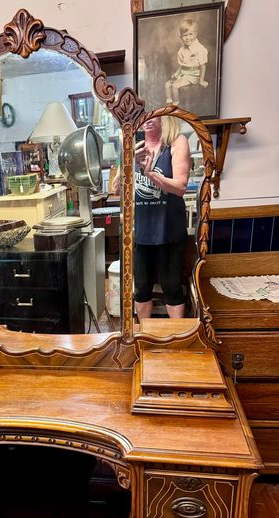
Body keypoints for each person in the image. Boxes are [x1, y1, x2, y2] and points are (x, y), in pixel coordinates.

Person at [133, 115, 190, 320]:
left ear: (164, 117)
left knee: (172, 288)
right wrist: (128, 163)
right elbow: (117, 189)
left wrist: (149, 173)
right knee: (141, 289)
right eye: (143, 116)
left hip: (169, 230)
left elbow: (180, 187)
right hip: (141, 232)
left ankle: (175, 341)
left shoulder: (176, 141)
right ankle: (144, 339)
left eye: (154, 115)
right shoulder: (133, 146)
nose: (148, 120)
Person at [165, 18, 209, 105]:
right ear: (181, 37)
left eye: (190, 34)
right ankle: (169, 103)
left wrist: (201, 80)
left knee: (174, 86)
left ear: (195, 34)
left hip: (193, 75)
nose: (188, 38)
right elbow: (182, 66)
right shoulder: (182, 50)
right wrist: (176, 74)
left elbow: (202, 66)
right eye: (185, 35)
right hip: (183, 73)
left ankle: (176, 104)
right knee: (167, 84)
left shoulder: (200, 49)